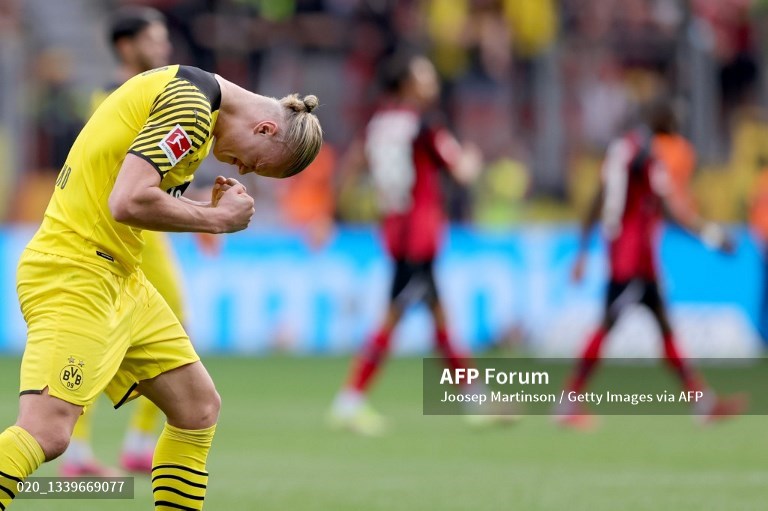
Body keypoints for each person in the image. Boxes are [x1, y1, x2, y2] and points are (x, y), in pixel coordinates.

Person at [0, 63, 322, 511]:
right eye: (256, 163)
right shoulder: (191, 107)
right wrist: (217, 220)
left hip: (120, 275)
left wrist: (198, 208)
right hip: (75, 271)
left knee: (197, 408)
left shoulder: (198, 110)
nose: (244, 170)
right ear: (266, 128)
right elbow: (127, 200)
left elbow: (133, 192)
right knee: (47, 432)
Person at [560, 100, 746, 429]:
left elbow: (601, 197)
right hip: (632, 261)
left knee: (664, 328)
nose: (677, 123)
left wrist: (584, 249)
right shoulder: (647, 154)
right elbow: (672, 208)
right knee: (607, 325)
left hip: (638, 260)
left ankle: (702, 402)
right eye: (672, 117)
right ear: (659, 119)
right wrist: (713, 236)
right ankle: (568, 400)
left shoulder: (624, 149)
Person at [60, 5, 188, 478]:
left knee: (174, 327)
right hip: (117, 234)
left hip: (146, 234)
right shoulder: (113, 99)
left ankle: (135, 444)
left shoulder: (149, 95)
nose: (164, 47)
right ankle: (79, 453)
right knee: (98, 339)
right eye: (154, 39)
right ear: (126, 46)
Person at [328, 53, 485, 435]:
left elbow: (354, 164)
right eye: (424, 74)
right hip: (419, 233)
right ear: (408, 84)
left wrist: (336, 208)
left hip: (395, 230)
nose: (432, 79)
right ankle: (350, 399)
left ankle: (472, 395)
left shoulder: (379, 123)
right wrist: (475, 160)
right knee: (396, 315)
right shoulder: (425, 125)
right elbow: (460, 171)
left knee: (436, 312)